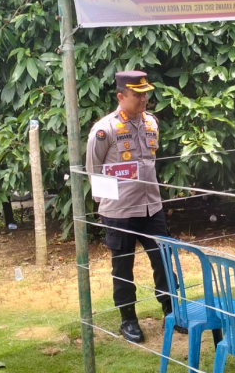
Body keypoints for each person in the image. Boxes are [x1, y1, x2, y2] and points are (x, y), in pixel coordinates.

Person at [85, 70, 181, 343]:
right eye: (137, 94)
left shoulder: (151, 122)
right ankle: (128, 320)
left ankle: (172, 312)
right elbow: (94, 171)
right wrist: (109, 205)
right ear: (120, 96)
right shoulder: (106, 129)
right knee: (123, 268)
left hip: (152, 207)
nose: (144, 99)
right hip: (120, 212)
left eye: (145, 93)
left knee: (163, 261)